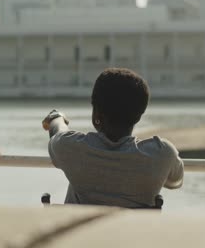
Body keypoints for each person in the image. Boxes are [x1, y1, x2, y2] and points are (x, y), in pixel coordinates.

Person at [42, 68, 184, 208]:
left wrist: (56, 117)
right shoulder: (162, 154)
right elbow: (175, 182)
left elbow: (58, 132)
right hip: (133, 231)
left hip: (83, 231)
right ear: (139, 116)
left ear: (96, 113)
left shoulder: (70, 148)